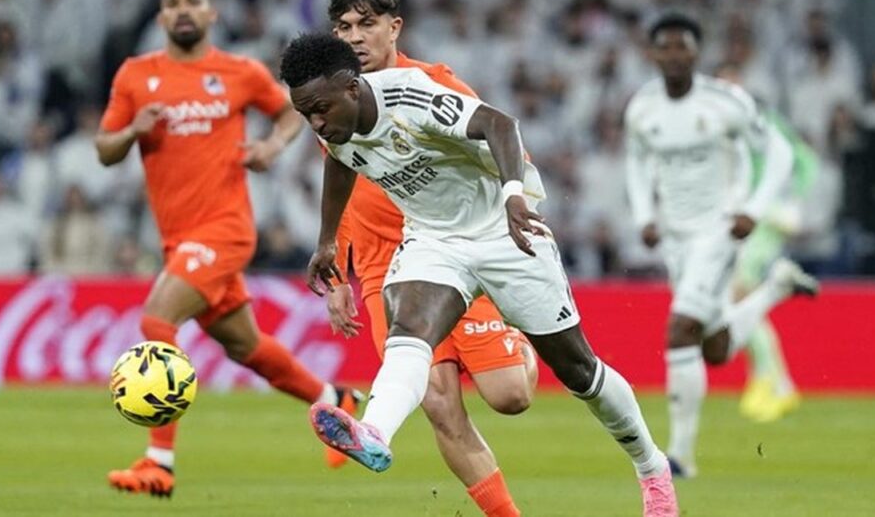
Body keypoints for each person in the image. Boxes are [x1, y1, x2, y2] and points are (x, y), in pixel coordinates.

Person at [280, 32, 680, 517]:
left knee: (578, 370)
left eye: (320, 110)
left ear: (352, 87)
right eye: (306, 114)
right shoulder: (333, 121)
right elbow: (342, 164)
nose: (317, 123)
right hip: (433, 239)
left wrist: (514, 195)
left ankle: (651, 467)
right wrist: (327, 240)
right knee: (410, 332)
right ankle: (374, 432)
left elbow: (498, 123)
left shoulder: (411, 95)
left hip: (503, 230)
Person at [97, 0, 360, 498]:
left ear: (211, 13)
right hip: (177, 238)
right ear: (161, 17)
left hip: (226, 229)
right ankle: (336, 399)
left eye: (193, 1)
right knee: (246, 347)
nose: (183, 9)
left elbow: (288, 112)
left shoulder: (237, 72)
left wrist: (271, 147)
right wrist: (131, 132)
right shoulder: (136, 75)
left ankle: (159, 462)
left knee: (156, 320)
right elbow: (105, 149)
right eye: (173, 3)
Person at [323, 0, 537, 516]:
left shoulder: (434, 83)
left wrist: (514, 207)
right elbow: (342, 186)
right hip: (383, 267)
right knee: (440, 404)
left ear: (394, 27)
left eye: (366, 24)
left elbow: (501, 143)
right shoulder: (331, 100)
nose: (354, 37)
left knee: (510, 396)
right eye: (344, 27)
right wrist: (339, 273)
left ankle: (520, 341)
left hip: (455, 250)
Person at [624, 11, 819, 479]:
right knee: (713, 348)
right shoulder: (642, 109)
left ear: (697, 53)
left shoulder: (725, 102)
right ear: (652, 54)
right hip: (676, 237)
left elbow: (779, 151)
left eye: (683, 46)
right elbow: (635, 161)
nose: (674, 55)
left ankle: (679, 457)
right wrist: (645, 216)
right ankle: (777, 289)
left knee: (679, 329)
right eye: (666, 47)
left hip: (720, 230)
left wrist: (754, 207)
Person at [714, 61, 820, 422]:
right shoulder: (721, 127)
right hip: (743, 216)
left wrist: (792, 202)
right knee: (739, 297)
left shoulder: (761, 119)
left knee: (739, 293)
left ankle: (768, 380)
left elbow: (805, 159)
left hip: (765, 217)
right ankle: (776, 382)